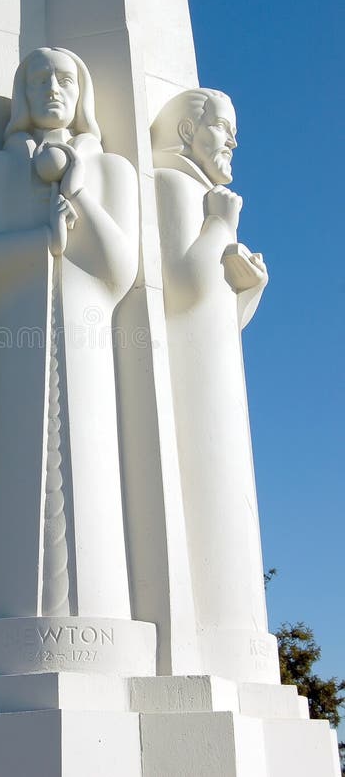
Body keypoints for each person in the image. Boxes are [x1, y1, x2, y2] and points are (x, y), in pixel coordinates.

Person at [0, 48, 139, 620]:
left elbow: (121, 269)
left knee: (91, 466)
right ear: (20, 93)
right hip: (13, 339)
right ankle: (15, 610)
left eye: (64, 78)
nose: (51, 88)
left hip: (89, 338)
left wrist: (79, 190)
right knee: (15, 470)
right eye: (36, 79)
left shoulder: (110, 169)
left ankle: (95, 615)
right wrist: (42, 239)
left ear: (82, 92)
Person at [150, 89, 280, 684]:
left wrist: (246, 287)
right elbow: (177, 288)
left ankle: (238, 636)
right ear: (185, 129)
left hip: (217, 374)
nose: (232, 141)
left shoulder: (205, 194)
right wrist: (219, 225)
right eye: (223, 128)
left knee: (231, 499)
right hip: (189, 385)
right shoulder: (174, 186)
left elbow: (216, 311)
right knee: (204, 493)